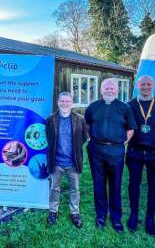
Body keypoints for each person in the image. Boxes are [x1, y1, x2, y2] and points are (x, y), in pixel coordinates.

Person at [85, 78, 137, 234]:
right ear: (101, 90)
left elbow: (131, 129)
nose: (109, 90)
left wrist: (121, 143)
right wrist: (94, 138)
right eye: (106, 88)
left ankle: (116, 218)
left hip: (116, 151)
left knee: (115, 185)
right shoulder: (92, 107)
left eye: (112, 88)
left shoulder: (124, 108)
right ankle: (101, 216)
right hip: (96, 150)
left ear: (117, 90)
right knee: (98, 184)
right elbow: (87, 125)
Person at [126, 75, 155, 235]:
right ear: (138, 85)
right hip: (135, 152)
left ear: (153, 85)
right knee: (134, 184)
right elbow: (126, 127)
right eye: (142, 84)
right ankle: (133, 215)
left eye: (148, 84)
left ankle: (150, 219)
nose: (145, 87)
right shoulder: (130, 105)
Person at [46, 92, 89, 228]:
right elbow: (49, 138)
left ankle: (74, 213)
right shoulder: (50, 119)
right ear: (58, 102)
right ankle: (53, 211)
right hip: (56, 161)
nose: (65, 103)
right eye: (62, 101)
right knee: (54, 188)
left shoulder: (79, 119)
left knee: (74, 189)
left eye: (67, 101)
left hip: (73, 162)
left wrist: (74, 151)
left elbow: (83, 138)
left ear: (72, 103)